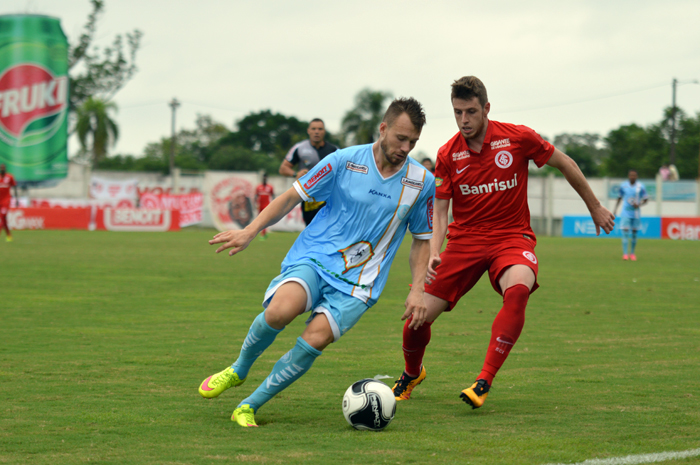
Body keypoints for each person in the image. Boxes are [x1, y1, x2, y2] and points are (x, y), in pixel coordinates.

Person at [199, 98, 435, 428]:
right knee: (280, 311)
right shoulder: (343, 160)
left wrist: (418, 290)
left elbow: (422, 240)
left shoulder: (422, 182)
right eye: (401, 138)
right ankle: (239, 369)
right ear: (383, 129)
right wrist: (251, 230)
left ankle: (249, 405)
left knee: (315, 339)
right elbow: (293, 195)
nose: (405, 147)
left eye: (413, 142)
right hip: (316, 258)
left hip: (360, 283)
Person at [392, 76, 615, 410]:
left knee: (520, 287)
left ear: (486, 109)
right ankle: (412, 373)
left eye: (470, 111)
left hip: (511, 239)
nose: (464, 120)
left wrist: (595, 207)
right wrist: (436, 248)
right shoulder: (447, 154)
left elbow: (565, 163)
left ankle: (483, 381)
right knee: (416, 319)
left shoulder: (517, 138)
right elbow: (441, 210)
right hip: (464, 243)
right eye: (457, 112)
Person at [279, 118, 339, 225]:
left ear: (324, 131)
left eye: (320, 129)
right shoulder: (300, 148)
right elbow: (283, 168)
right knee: (311, 231)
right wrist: (295, 174)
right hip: (309, 199)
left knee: (329, 230)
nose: (317, 131)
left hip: (329, 198)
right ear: (308, 131)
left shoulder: (334, 151)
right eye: (314, 129)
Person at [613, 169, 648, 261]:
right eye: (631, 175)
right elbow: (619, 197)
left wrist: (639, 204)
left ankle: (632, 253)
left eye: (634, 175)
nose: (632, 177)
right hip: (625, 212)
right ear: (629, 176)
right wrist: (615, 209)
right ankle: (625, 254)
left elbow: (646, 199)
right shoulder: (623, 186)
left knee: (634, 234)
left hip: (636, 213)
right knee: (625, 232)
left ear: (637, 176)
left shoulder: (641, 186)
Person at [0, 164, 18, 242]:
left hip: (6, 200)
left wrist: (16, 199)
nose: (2, 169)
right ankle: (8, 235)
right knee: (3, 219)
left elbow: (14, 187)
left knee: (3, 216)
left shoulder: (10, 177)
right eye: (1, 168)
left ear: (5, 169)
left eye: (4, 168)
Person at [254, 173, 275, 240]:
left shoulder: (270, 187)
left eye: (265, 178)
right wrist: (255, 203)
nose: (264, 179)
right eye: (263, 178)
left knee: (265, 220)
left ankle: (263, 233)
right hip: (260, 206)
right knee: (259, 220)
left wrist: (274, 204)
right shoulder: (258, 187)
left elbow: (273, 195)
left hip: (267, 206)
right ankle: (263, 232)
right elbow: (256, 196)